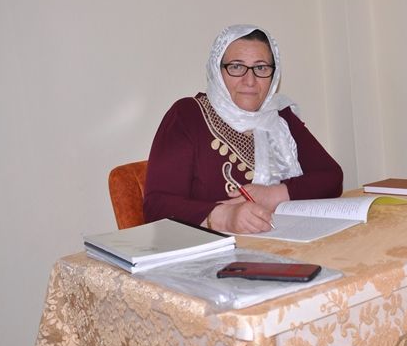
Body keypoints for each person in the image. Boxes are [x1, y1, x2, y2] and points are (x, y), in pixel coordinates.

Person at [143, 24, 343, 233]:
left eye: (261, 68)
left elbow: (331, 177)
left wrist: (273, 195)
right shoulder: (187, 115)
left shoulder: (278, 117)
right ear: (217, 70)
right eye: (237, 67)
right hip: (214, 249)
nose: (250, 81)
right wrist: (222, 217)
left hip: (286, 242)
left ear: (273, 75)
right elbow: (156, 207)